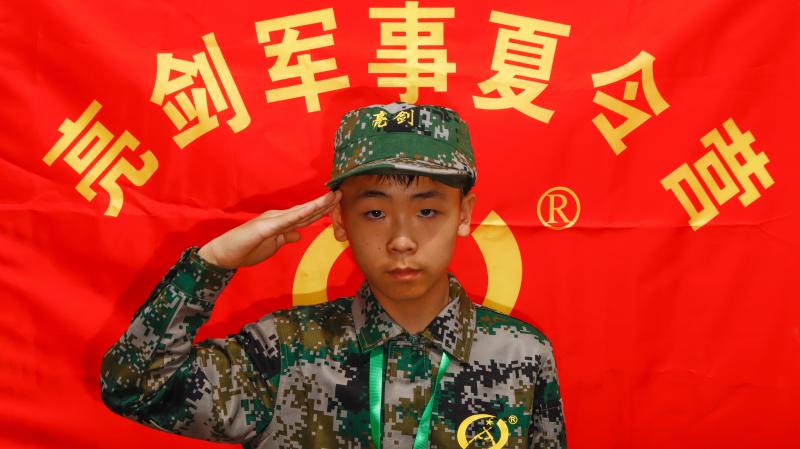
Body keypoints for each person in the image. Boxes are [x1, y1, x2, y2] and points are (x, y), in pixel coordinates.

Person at [100, 102, 567, 449]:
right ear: (340, 220)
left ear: (463, 214)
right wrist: (212, 263)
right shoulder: (285, 351)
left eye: (427, 210)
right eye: (374, 213)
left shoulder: (521, 354)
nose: (401, 240)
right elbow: (133, 389)